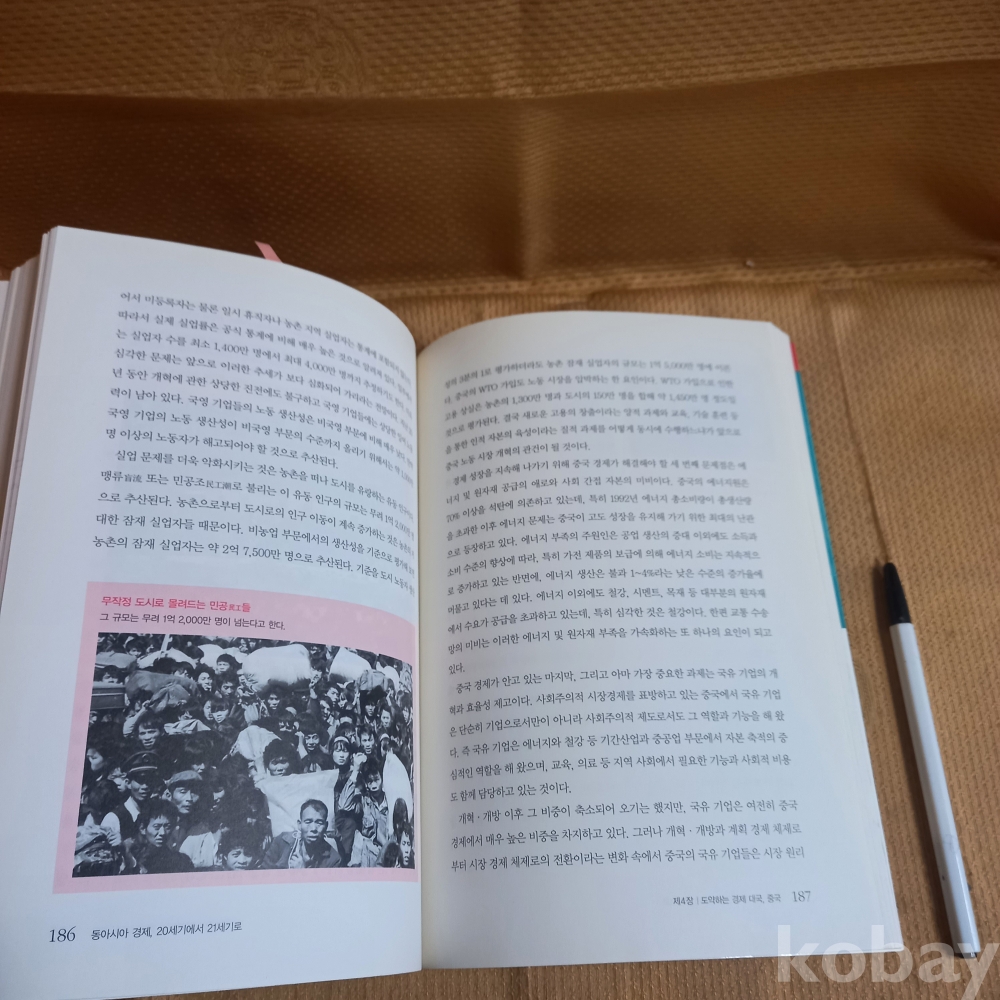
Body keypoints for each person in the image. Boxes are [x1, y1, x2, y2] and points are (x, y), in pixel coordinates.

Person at [339, 756, 390, 867]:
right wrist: (355, 771)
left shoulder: (391, 801)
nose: (374, 786)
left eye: (376, 780)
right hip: (365, 857)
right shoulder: (363, 801)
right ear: (366, 783)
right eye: (370, 782)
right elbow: (343, 805)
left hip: (386, 857)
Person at [262, 800, 341, 868]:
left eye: (319, 822)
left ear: (326, 826)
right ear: (299, 824)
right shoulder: (282, 841)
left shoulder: (334, 860)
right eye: (308, 822)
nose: (313, 828)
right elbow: (264, 874)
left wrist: (302, 872)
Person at [164, 770, 217, 869]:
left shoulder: (203, 833)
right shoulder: (159, 828)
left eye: (194, 792)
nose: (189, 798)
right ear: (169, 795)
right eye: (183, 792)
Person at [127, 801, 195, 874]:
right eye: (156, 827)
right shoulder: (130, 857)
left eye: (167, 827)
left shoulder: (181, 861)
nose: (162, 833)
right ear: (142, 828)